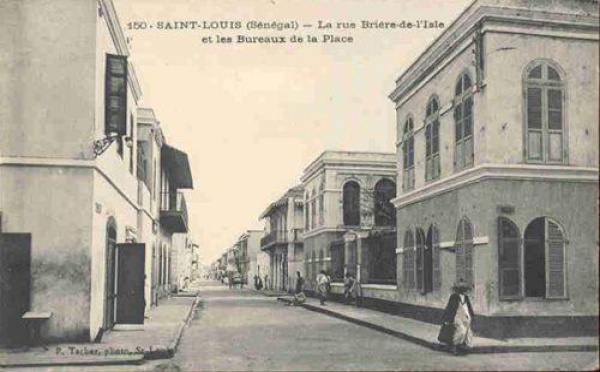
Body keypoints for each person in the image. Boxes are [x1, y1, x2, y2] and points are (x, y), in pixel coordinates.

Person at [438, 279, 475, 356]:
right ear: (459, 290)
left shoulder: (466, 297)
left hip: (465, 316)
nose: (464, 291)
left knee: (467, 332)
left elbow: (467, 307)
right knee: (461, 331)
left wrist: (470, 316)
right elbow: (449, 307)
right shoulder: (454, 297)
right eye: (463, 289)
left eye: (465, 289)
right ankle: (455, 346)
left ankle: (462, 346)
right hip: (456, 316)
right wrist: (447, 319)